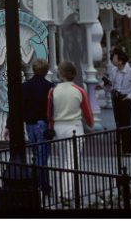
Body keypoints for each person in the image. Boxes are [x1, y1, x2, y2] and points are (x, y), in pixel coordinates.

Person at [47, 60, 94, 200]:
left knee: (63, 161)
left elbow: (49, 113)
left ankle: (62, 190)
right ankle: (65, 194)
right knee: (71, 161)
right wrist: (90, 124)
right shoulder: (79, 91)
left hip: (58, 126)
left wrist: (51, 126)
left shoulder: (53, 91)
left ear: (61, 74)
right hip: (74, 126)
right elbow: (87, 113)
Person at [20, 58, 54, 194]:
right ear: (46, 71)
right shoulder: (49, 87)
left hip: (30, 124)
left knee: (36, 154)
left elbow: (20, 106)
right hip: (42, 123)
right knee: (42, 155)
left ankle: (40, 183)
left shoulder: (25, 86)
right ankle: (42, 185)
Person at [109, 49, 131, 155]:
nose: (113, 59)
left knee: (126, 122)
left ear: (121, 60)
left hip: (125, 98)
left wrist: (130, 96)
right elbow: (112, 84)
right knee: (118, 122)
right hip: (116, 97)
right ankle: (124, 142)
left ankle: (127, 148)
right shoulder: (113, 70)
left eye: (115, 57)